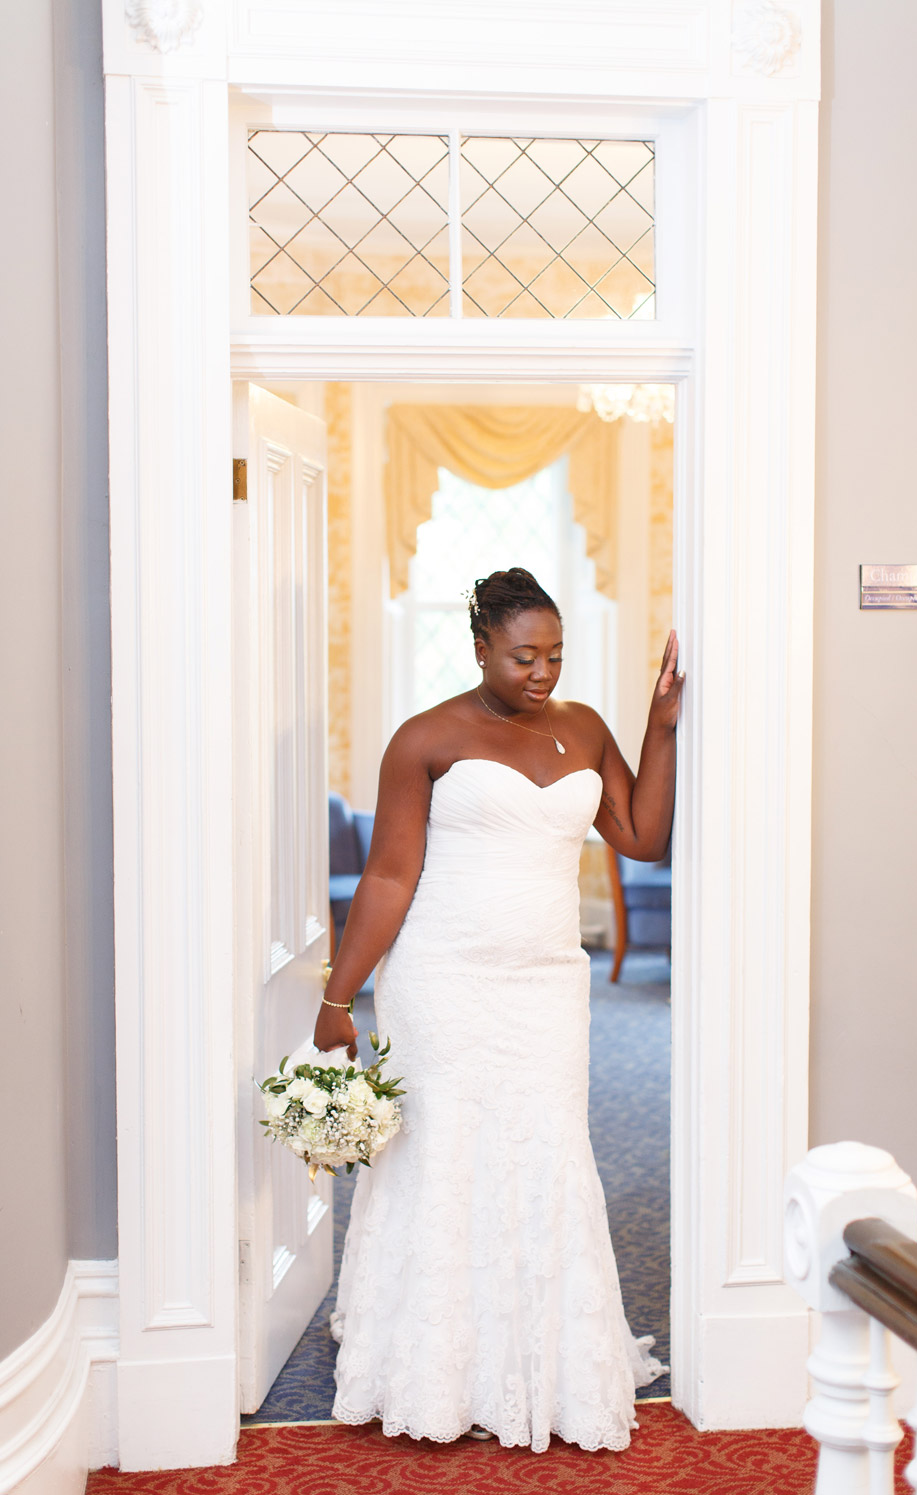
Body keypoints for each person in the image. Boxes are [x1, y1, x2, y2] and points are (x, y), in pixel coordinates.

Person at [314, 567, 683, 1452]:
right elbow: (392, 875)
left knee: (545, 1151)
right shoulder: (425, 738)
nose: (542, 672)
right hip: (444, 980)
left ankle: (541, 1357)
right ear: (479, 646)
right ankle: (437, 1365)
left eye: (556, 654)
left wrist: (661, 726)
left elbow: (641, 834)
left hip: (549, 984)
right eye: (524, 656)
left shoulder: (586, 729)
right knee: (445, 1156)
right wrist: (338, 994)